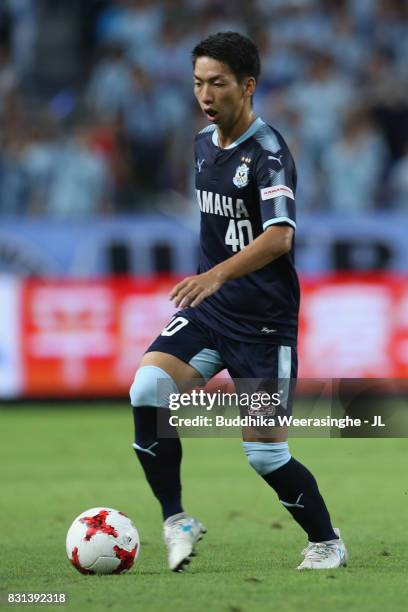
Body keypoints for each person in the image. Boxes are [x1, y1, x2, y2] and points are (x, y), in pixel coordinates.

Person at [129, 31, 347, 572]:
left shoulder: (270, 153)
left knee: (265, 455)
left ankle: (327, 542)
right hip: (211, 314)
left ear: (247, 86)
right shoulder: (202, 143)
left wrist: (217, 275)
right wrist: (212, 283)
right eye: (199, 82)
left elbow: (279, 236)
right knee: (147, 388)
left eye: (218, 83)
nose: (205, 94)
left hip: (264, 326)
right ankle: (177, 519)